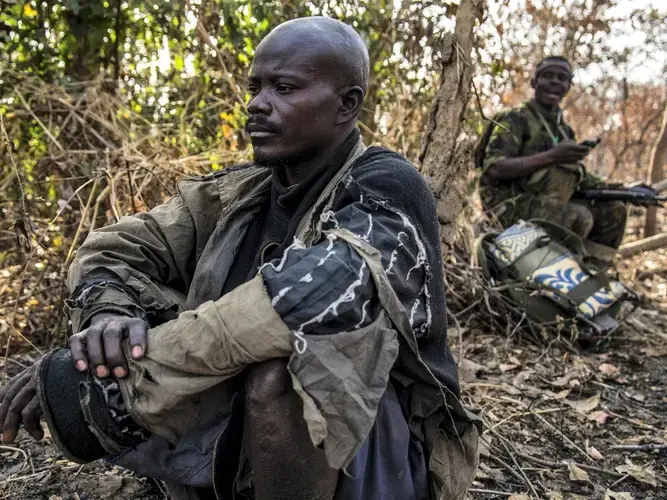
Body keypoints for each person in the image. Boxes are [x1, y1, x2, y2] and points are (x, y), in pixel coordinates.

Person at [0, 17, 480, 500]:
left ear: (347, 104)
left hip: (387, 458)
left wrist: (132, 380)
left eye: (284, 88)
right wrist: (109, 322)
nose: (256, 104)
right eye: (254, 88)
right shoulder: (241, 190)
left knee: (283, 373)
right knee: (146, 318)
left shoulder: (386, 183)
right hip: (262, 450)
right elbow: (114, 248)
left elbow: (315, 297)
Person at [477, 56, 628, 259]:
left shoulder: (565, 131)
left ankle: (591, 274)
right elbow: (495, 168)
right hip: (507, 203)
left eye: (562, 78)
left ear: (568, 86)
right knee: (578, 216)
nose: (555, 82)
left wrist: (628, 191)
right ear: (534, 82)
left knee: (615, 211)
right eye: (548, 76)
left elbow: (581, 178)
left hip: (546, 201)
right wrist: (552, 157)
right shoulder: (515, 118)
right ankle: (541, 274)